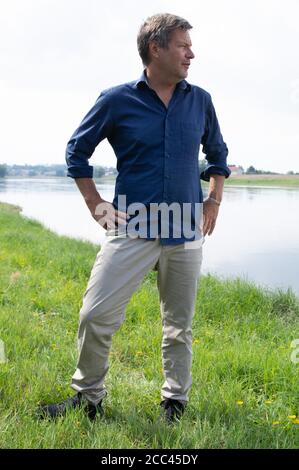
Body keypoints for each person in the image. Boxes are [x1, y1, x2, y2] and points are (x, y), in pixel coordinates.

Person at [39, 13, 230, 424]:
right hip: (133, 227)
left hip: (185, 230)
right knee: (96, 314)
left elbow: (218, 154)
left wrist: (213, 200)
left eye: (190, 46)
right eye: (183, 45)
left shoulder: (200, 100)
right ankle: (88, 398)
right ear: (155, 48)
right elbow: (77, 152)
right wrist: (95, 204)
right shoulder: (116, 100)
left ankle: (174, 401)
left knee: (179, 325)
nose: (191, 54)